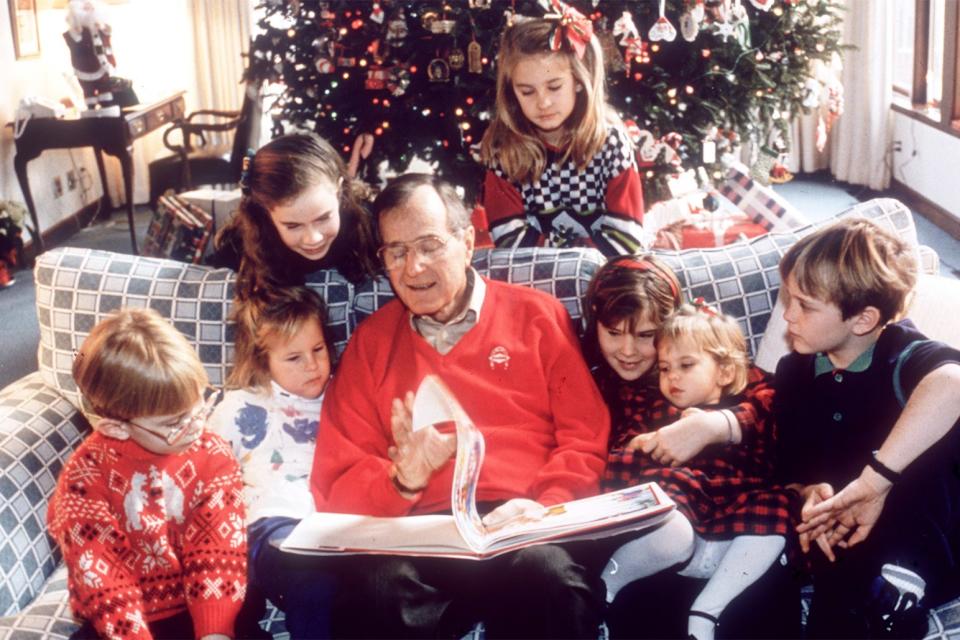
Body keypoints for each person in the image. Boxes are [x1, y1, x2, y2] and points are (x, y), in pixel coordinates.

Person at [310, 172, 610, 638]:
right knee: (373, 589)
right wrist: (401, 479)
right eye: (397, 251)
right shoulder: (370, 344)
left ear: (467, 241)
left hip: (523, 524)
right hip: (420, 536)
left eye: (429, 245)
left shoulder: (537, 316)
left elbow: (584, 437)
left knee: (550, 576)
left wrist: (545, 509)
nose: (413, 268)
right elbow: (335, 485)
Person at [581, 254, 799, 638]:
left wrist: (716, 424)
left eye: (646, 335)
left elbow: (777, 403)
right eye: (614, 333)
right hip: (660, 536)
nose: (629, 351)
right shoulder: (598, 384)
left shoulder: (724, 373)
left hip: (735, 527)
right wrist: (639, 449)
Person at [773, 217, 960, 638]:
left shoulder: (904, 356)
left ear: (862, 319)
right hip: (845, 536)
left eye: (804, 304)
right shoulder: (793, 373)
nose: (788, 315)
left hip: (926, 536)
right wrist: (808, 491)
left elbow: (953, 382)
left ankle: (904, 581)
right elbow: (790, 466)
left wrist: (876, 480)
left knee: (930, 434)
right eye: (789, 298)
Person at [48, 308, 247, 640]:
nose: (195, 427)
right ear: (116, 426)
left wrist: (214, 631)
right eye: (173, 423)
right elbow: (106, 581)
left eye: (199, 406)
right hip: (124, 621)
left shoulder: (212, 453)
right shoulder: (83, 479)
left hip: (201, 603)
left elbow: (217, 548)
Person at [209, 286, 337, 639]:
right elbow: (206, 475)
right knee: (313, 583)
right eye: (294, 358)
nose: (312, 366)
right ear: (262, 361)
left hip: (335, 527)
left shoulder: (343, 396)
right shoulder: (239, 407)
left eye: (318, 349)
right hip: (271, 526)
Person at [478, 7, 645, 256]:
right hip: (536, 280)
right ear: (512, 92)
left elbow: (627, 238)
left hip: (609, 277)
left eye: (554, 87)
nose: (543, 103)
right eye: (527, 91)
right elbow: (510, 242)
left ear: (579, 81)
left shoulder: (611, 143)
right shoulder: (505, 151)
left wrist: (571, 261)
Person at [208, 132, 379, 299]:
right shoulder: (240, 248)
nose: (313, 239)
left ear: (339, 191)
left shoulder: (369, 224)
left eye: (323, 218)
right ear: (265, 212)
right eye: (292, 226)